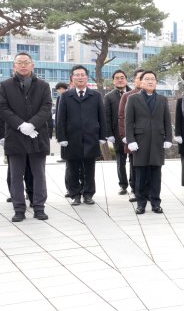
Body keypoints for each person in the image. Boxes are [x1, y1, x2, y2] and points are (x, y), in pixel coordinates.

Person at [0, 52, 52, 221]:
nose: (23, 65)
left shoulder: (43, 86)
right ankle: (19, 209)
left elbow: (46, 108)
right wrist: (21, 125)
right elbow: (2, 108)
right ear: (14, 66)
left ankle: (39, 207)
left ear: (32, 65)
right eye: (19, 62)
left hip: (37, 136)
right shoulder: (5, 86)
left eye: (26, 62)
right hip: (15, 136)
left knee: (39, 174)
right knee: (16, 176)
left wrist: (32, 124)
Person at [56, 65, 109, 206]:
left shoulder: (95, 95)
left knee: (89, 168)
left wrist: (102, 136)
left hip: (91, 137)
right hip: (71, 138)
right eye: (77, 75)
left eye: (82, 75)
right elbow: (60, 119)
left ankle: (88, 194)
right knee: (72, 168)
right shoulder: (65, 96)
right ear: (72, 78)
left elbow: (102, 117)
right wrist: (61, 137)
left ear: (87, 77)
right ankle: (75, 194)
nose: (80, 77)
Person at [125, 71, 173, 214]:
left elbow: (167, 120)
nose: (150, 81)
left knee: (156, 174)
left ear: (156, 82)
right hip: (140, 141)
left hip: (157, 140)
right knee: (140, 174)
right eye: (147, 79)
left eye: (153, 79)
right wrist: (130, 140)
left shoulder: (162, 99)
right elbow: (129, 122)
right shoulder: (133, 99)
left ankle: (156, 203)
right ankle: (141, 204)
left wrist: (168, 138)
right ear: (140, 82)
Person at [118, 69, 145, 202]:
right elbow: (121, 117)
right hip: (134, 137)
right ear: (134, 80)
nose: (143, 81)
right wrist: (126, 136)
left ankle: (148, 190)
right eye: (140, 78)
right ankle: (135, 190)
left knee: (150, 165)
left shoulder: (154, 95)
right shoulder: (127, 96)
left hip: (150, 137)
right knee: (134, 165)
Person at [104, 70, 132, 195]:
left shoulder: (134, 93)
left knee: (134, 160)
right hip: (117, 134)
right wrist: (109, 134)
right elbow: (107, 117)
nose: (120, 80)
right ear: (113, 81)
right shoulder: (108, 97)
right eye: (117, 78)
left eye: (122, 77)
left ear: (126, 79)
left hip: (133, 133)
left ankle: (134, 184)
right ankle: (123, 185)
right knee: (121, 161)